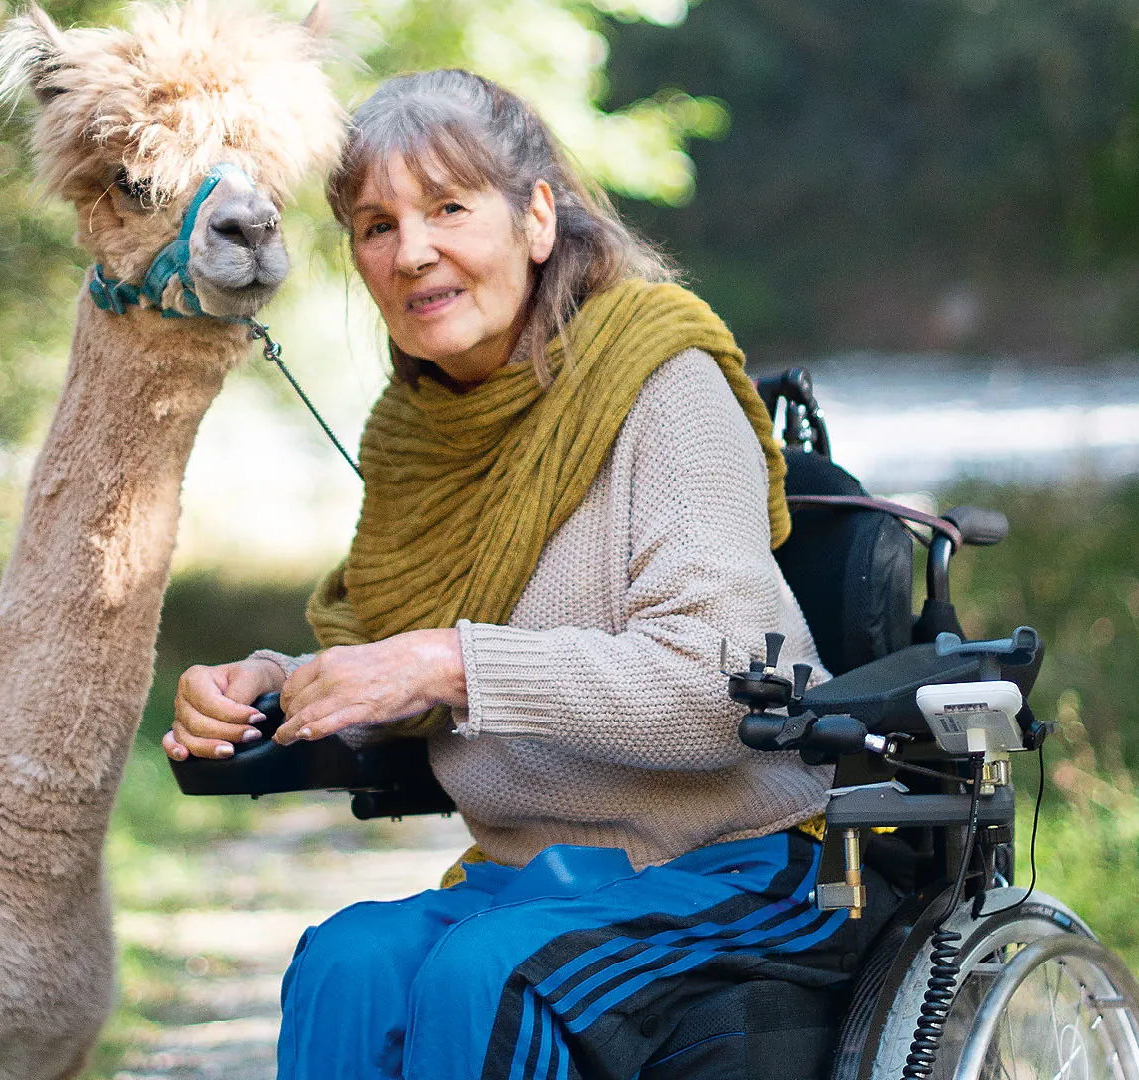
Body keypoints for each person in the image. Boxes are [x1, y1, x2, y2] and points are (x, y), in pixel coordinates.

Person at [164, 69, 855, 1080]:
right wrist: (270, 687)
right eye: (376, 225)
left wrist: (449, 665)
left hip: (742, 864)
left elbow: (726, 687)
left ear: (536, 218)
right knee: (347, 964)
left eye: (449, 207)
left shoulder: (663, 382)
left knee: (487, 977)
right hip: (538, 876)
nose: (412, 252)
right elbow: (391, 665)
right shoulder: (415, 434)